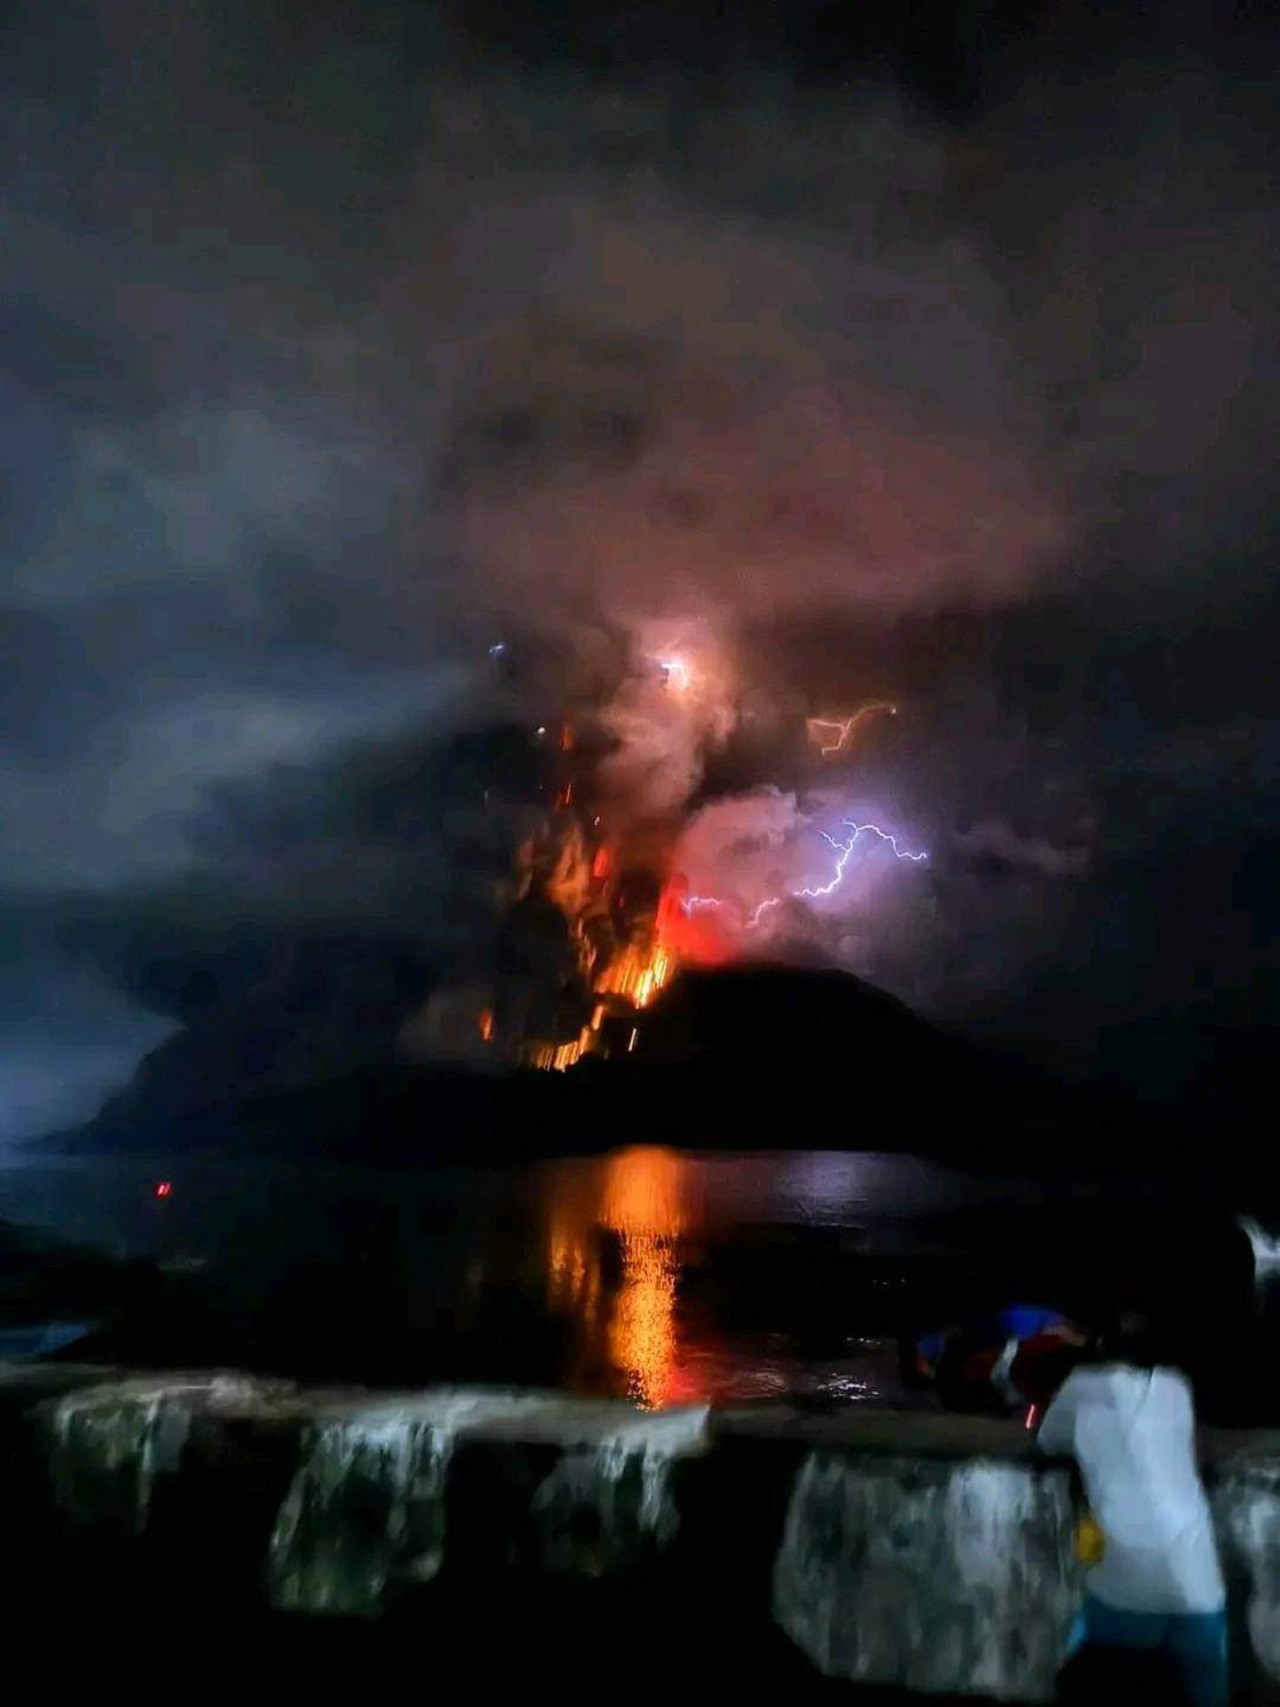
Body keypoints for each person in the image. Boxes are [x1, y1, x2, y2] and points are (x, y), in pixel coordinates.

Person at [1037, 1313, 1228, 1707]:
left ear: (1102, 1344)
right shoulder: (1178, 1387)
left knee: (1084, 1674)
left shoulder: (1082, 1387)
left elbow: (1047, 1439)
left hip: (1125, 1587)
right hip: (1199, 1584)